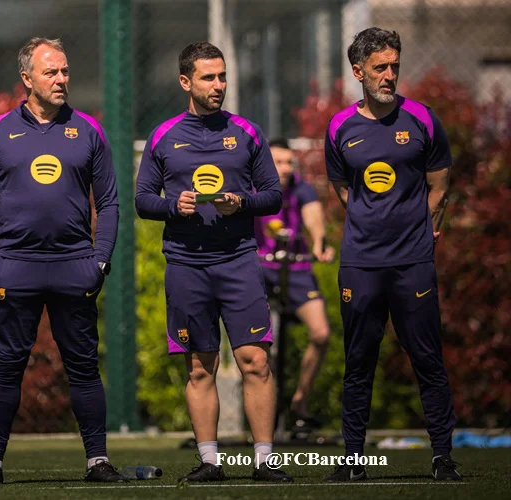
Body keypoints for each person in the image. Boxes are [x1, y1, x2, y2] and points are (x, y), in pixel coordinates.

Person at [0, 37, 123, 486]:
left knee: (83, 366)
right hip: (15, 267)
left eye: (66, 71)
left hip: (75, 265)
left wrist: (100, 261)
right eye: (51, 72)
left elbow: (108, 202)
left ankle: (98, 460)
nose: (61, 80)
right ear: (27, 78)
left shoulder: (88, 130)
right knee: (7, 366)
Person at [135, 42, 292, 484]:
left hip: (238, 261)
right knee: (199, 365)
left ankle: (265, 461)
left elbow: (273, 196)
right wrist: (174, 205)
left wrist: (240, 203)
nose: (218, 85)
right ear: (186, 82)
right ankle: (210, 462)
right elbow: (143, 200)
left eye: (222, 76)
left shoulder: (247, 132)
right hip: (186, 264)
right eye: (209, 77)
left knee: (255, 361)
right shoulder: (164, 135)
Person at [324, 27, 460, 481]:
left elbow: (439, 185)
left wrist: (420, 229)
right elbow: (343, 188)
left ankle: (443, 457)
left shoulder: (422, 117)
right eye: (380, 68)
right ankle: (353, 462)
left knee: (427, 359)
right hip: (360, 263)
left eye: (395, 66)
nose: (389, 75)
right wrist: (374, 223)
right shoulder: (340, 127)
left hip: (413, 262)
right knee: (358, 362)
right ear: (358, 71)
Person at [254, 138, 334, 433]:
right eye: (278, 162)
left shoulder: (302, 188)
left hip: (297, 268)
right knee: (259, 346)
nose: (285, 168)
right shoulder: (254, 186)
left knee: (321, 333)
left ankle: (299, 402)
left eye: (289, 162)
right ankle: (262, 412)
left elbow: (314, 220)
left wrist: (319, 244)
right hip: (259, 269)